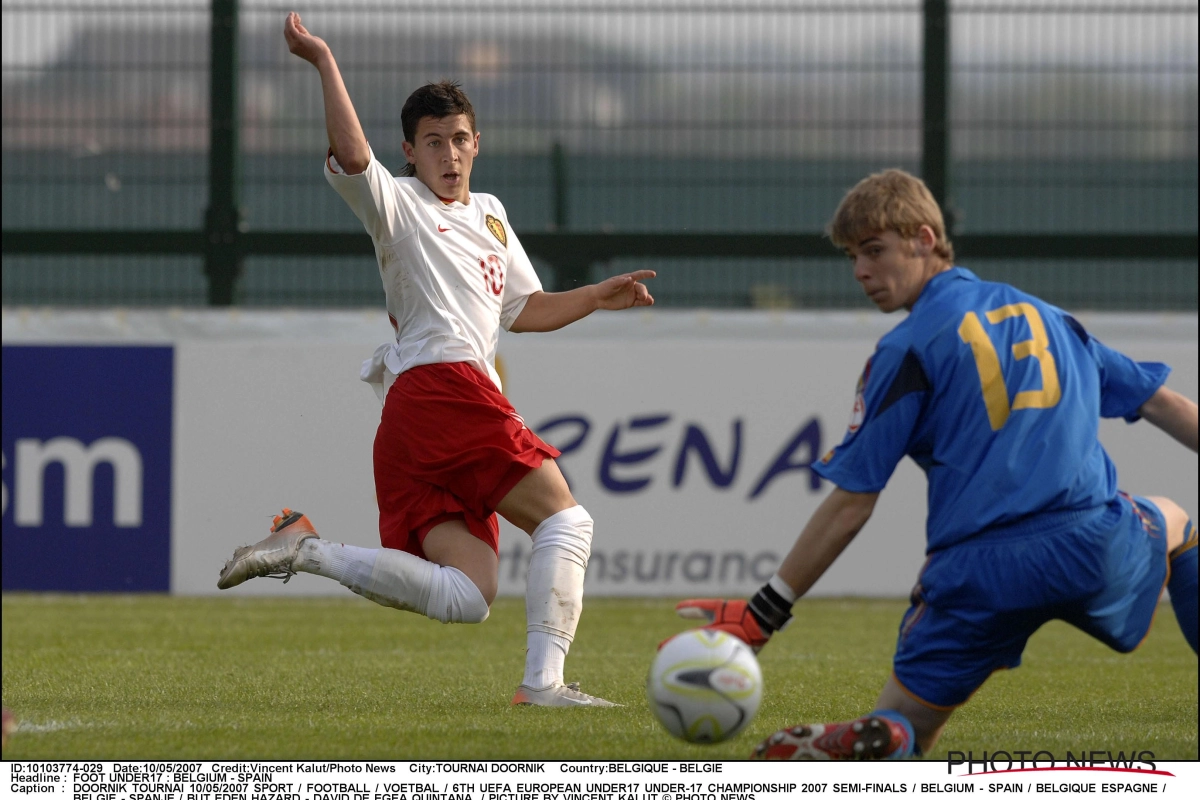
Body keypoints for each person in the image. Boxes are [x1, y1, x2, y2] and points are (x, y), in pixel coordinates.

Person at [675, 168, 1198, 758]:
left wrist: (763, 613)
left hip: (977, 575)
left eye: (875, 251)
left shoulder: (905, 349)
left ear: (925, 239)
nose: (861, 272)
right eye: (852, 257)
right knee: (1177, 520)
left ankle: (886, 737)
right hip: (1091, 545)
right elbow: (1163, 403)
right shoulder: (1049, 319)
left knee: (902, 734)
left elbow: (851, 505)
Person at [217, 12, 655, 708]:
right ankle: (543, 684)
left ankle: (304, 549)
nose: (448, 154)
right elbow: (354, 156)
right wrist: (325, 62)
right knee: (566, 520)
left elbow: (523, 311)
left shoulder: (490, 214)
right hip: (443, 389)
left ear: (477, 144)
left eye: (458, 140)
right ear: (409, 152)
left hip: (418, 418)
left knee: (469, 595)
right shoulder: (397, 205)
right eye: (432, 143)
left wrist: (596, 298)